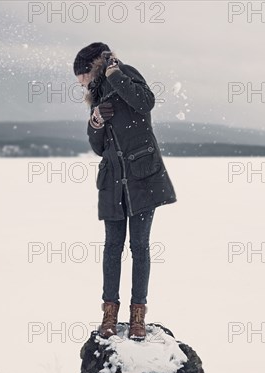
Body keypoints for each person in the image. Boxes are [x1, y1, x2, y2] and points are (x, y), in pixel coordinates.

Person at [73, 42, 177, 341]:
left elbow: (146, 102)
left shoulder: (125, 74)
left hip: (142, 176)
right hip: (112, 180)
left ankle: (137, 317)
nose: (81, 83)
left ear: (91, 66)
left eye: (82, 75)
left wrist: (115, 74)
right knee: (112, 248)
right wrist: (96, 121)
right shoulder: (95, 94)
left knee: (140, 247)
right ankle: (109, 314)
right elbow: (97, 146)